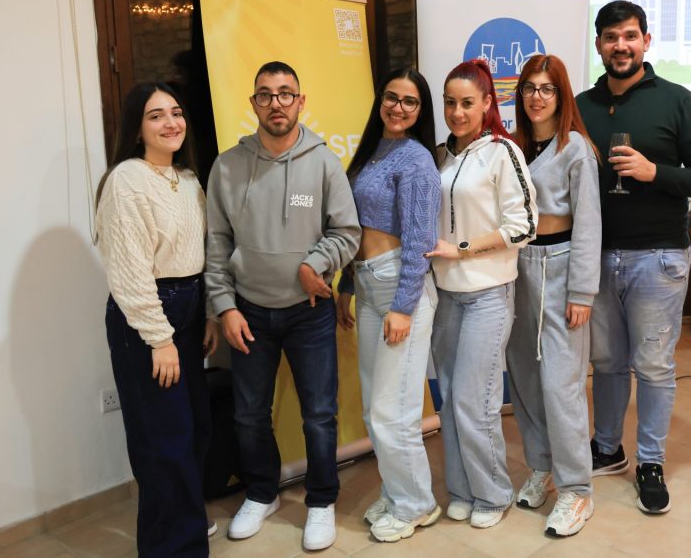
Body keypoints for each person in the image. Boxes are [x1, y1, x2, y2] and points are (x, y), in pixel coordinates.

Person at [205, 61, 361, 551]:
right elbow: (216, 243)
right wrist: (224, 306)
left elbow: (347, 232)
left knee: (319, 414)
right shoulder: (227, 167)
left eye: (285, 93)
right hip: (248, 311)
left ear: (301, 101)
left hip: (309, 311)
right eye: (266, 94)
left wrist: (316, 263)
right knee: (250, 414)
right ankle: (262, 492)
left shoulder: (323, 163)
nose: (276, 103)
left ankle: (321, 500)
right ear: (253, 103)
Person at [576, 0, 691, 515]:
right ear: (599, 44)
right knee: (607, 363)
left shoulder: (677, 100)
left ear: (646, 41)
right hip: (596, 257)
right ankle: (607, 448)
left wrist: (653, 171)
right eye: (611, 37)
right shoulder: (582, 106)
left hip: (658, 258)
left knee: (654, 366)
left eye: (630, 36)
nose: (621, 46)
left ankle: (651, 462)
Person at [94, 82, 219, 558]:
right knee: (163, 442)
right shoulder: (126, 180)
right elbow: (130, 272)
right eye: (156, 115)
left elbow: (200, 254)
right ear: (137, 128)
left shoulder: (187, 179)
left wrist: (208, 313)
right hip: (148, 318)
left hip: (188, 309)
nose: (171, 122)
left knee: (195, 430)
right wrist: (159, 339)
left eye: (176, 112)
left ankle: (183, 526)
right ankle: (174, 548)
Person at [425, 58, 537, 529]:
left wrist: (463, 249)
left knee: (477, 400)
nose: (457, 112)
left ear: (488, 103)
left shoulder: (502, 152)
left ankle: (492, 492)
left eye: (467, 103)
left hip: (489, 293)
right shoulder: (438, 155)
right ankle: (462, 488)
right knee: (451, 398)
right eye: (450, 103)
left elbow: (524, 225)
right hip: (445, 296)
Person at [334, 68, 442, 542]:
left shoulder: (417, 160)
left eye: (410, 101)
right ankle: (399, 491)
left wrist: (403, 306)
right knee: (375, 408)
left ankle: (417, 503)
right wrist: (347, 284)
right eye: (391, 98)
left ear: (421, 111)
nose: (398, 107)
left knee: (393, 411)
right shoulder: (372, 150)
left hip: (401, 288)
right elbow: (353, 227)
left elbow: (420, 240)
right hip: (368, 284)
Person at [506, 54, 601, 537]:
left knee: (562, 385)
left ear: (562, 96)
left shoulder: (575, 148)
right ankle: (541, 465)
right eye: (529, 88)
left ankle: (577, 490)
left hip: (561, 268)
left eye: (546, 89)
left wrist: (582, 291)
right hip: (517, 268)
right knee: (525, 377)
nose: (536, 97)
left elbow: (588, 223)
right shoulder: (513, 147)